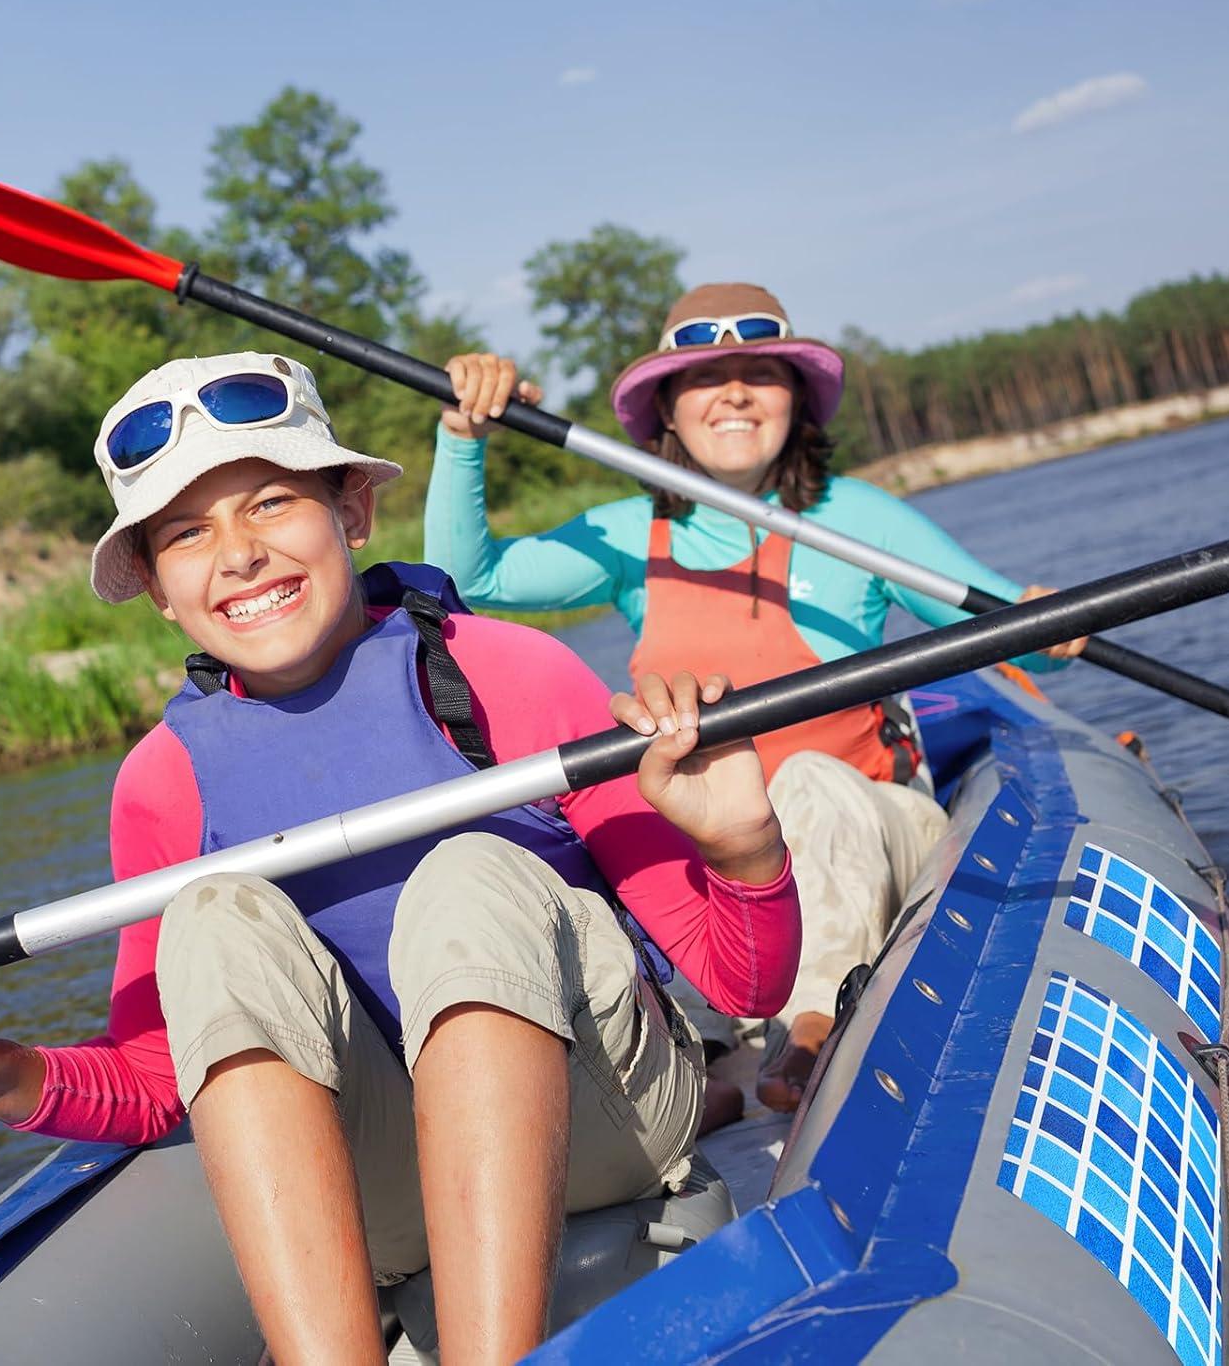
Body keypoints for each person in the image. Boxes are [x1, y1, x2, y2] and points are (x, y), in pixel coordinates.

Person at [0, 351, 801, 1365]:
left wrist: (744, 850)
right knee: (215, 916)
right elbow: (160, 1084)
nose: (238, 554)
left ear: (352, 511)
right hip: (382, 1192)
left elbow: (737, 978)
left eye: (271, 501)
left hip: (605, 1126)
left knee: (466, 874)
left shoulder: (506, 671)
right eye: (187, 533)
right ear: (154, 587)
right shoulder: (160, 781)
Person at [424, 282, 1085, 1115]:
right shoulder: (634, 532)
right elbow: (473, 579)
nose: (734, 392)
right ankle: (689, 1059)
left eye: (761, 373)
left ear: (794, 402)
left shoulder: (859, 518)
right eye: (705, 376)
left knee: (805, 784)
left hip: (870, 821)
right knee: (616, 841)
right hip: (722, 863)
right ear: (668, 406)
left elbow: (1005, 626)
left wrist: (1050, 627)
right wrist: (461, 439)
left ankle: (806, 1030)